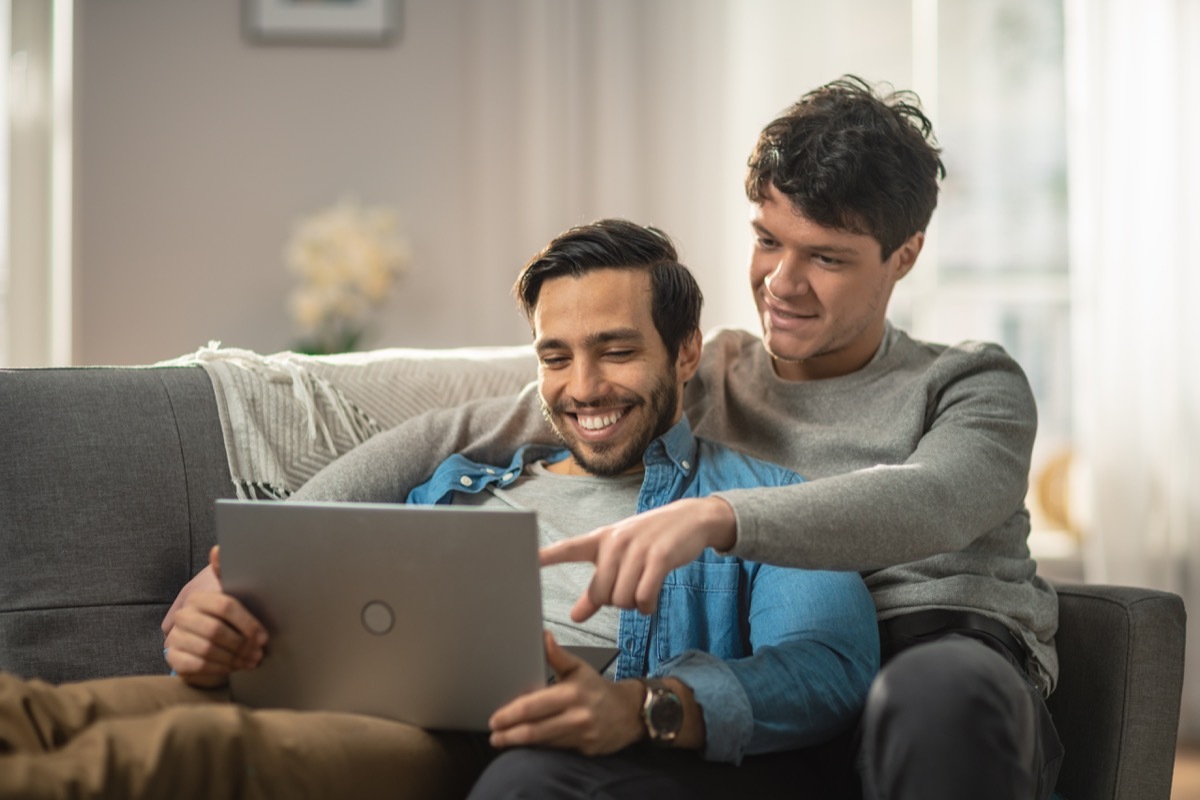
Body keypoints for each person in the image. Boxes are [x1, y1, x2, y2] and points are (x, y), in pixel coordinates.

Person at [276, 76, 1065, 799]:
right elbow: (455, 431)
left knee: (928, 696)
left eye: (825, 257)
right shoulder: (707, 367)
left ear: (905, 256)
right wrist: (271, 556)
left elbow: (931, 501)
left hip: (938, 668)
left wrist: (717, 517)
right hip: (761, 672)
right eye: (767, 240)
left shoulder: (971, 382)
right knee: (533, 778)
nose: (781, 283)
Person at [1, 219, 878, 800]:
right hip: (320, 691)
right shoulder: (464, 478)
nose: (582, 388)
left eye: (615, 351)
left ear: (686, 352)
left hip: (471, 738)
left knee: (181, 763)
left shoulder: (757, 504)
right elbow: (314, 601)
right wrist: (217, 629)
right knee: (37, 712)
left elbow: (829, 667)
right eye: (556, 356)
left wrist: (647, 705)